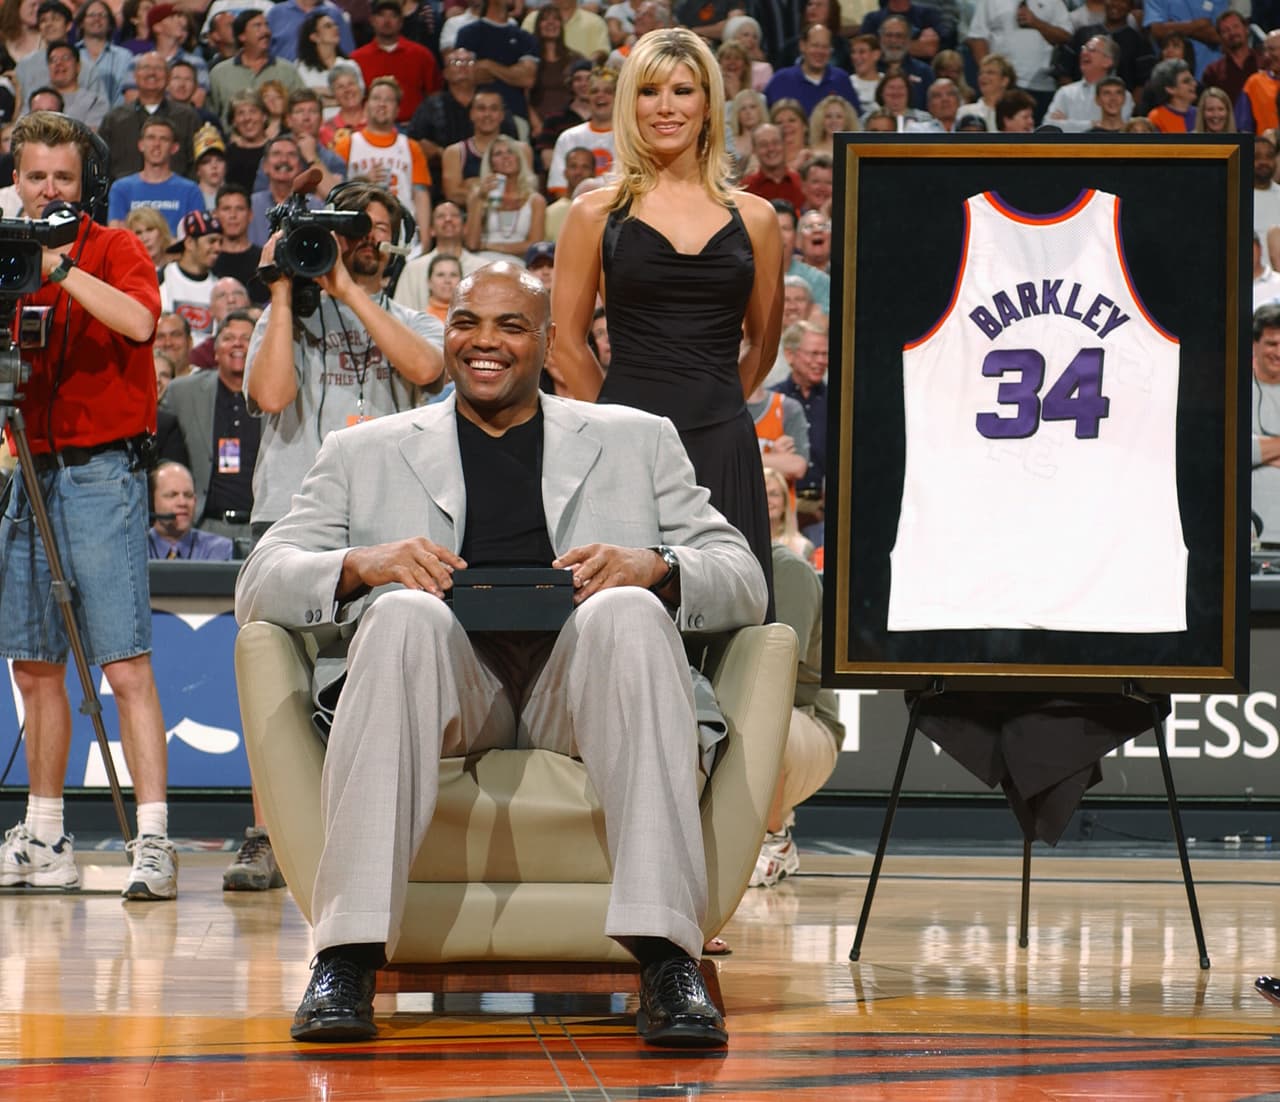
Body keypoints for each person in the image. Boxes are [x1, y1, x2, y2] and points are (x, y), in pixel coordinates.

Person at [235, 261, 766, 1046]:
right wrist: (363, 565)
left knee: (625, 609)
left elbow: (744, 578)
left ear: (549, 341)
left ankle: (666, 960)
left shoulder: (637, 440)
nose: (485, 342)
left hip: (578, 689)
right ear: (445, 332)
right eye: (466, 323)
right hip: (448, 689)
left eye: (511, 326)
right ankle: (346, 959)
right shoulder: (364, 451)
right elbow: (261, 583)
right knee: (406, 617)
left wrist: (655, 566)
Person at [0, 111, 177, 901]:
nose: (48, 190)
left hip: (101, 474)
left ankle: (154, 842)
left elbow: (140, 321)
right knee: (35, 664)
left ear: (86, 184)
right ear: (17, 179)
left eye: (62, 178)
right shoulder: (6, 255)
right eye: (35, 176)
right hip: (28, 470)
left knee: (124, 664)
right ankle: (45, 837)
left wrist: (60, 266)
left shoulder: (115, 247)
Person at [554, 27, 785, 615]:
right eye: (649, 92)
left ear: (708, 104)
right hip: (624, 446)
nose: (666, 107)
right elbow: (565, 345)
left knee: (732, 618)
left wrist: (722, 403)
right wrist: (616, 425)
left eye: (683, 91)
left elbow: (762, 344)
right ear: (629, 104)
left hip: (724, 442)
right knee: (621, 618)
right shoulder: (593, 213)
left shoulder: (755, 218)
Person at [245, 180, 444, 536]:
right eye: (354, 226)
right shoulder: (285, 316)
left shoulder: (416, 324)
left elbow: (427, 369)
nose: (366, 236)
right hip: (291, 508)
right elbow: (273, 397)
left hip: (385, 508)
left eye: (378, 228)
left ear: (395, 243)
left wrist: (346, 290)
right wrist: (280, 290)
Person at [749, 536, 843, 887]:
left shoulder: (787, 570)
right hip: (750, 713)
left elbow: (777, 673)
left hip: (808, 722)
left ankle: (774, 840)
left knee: (759, 718)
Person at [159, 309, 260, 545]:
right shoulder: (182, 393)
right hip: (203, 528)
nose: (237, 344)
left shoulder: (278, 397)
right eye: (228, 338)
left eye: (247, 339)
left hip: (263, 529)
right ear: (214, 351)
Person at [332, 76, 433, 239]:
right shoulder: (346, 144)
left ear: (397, 109)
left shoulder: (411, 147)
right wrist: (362, 181)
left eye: (389, 100)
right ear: (366, 106)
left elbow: (420, 194)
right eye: (376, 98)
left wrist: (426, 237)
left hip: (402, 233)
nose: (382, 104)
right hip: (357, 232)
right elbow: (334, 192)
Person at [98, 52, 201, 181]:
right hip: (124, 197)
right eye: (146, 68)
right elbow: (100, 162)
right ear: (135, 76)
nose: (152, 73)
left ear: (168, 77)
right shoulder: (114, 119)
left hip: (175, 197)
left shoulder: (188, 117)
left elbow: (197, 164)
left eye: (158, 68)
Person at [107, 116, 205, 235]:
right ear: (141, 145)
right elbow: (116, 235)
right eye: (151, 138)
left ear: (174, 148)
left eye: (164, 139)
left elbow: (197, 239)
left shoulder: (190, 191)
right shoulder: (121, 188)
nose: (156, 144)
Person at [350, 0, 440, 124]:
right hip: (370, 126)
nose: (387, 21)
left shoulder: (422, 55)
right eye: (381, 15)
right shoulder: (356, 59)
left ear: (401, 22)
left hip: (414, 127)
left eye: (393, 16)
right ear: (372, 20)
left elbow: (434, 95)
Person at [463, 133, 546, 263]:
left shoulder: (536, 201)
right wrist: (479, 198)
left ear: (519, 159)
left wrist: (488, 245)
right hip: (482, 262)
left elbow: (534, 245)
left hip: (518, 264)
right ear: (492, 164)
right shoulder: (478, 196)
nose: (505, 157)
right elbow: (472, 244)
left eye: (510, 152)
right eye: (498, 154)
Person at [391, 200, 486, 311]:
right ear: (431, 230)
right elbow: (400, 314)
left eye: (454, 215)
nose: (448, 219)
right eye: (441, 216)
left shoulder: (483, 268)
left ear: (465, 228)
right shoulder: (413, 269)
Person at [763, 23, 860, 116]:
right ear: (802, 46)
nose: (820, 52)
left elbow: (854, 120)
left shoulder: (841, 79)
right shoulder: (781, 80)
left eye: (825, 47)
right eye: (815, 46)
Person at [147, 461, 235, 560]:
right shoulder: (134, 551)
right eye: (172, 495)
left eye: (188, 495)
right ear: (151, 501)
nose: (182, 502)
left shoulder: (221, 551)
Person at [160, 210, 223, 340]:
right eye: (212, 241)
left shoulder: (220, 287)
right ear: (189, 243)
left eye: (220, 242)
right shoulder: (160, 279)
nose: (218, 248)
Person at [1252, 304, 1280, 543]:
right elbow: (1239, 449)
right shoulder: (1238, 391)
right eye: (1272, 343)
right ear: (1254, 345)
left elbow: (1253, 451)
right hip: (1253, 534)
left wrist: (1263, 451)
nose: (1279, 352)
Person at [1145, 57, 1197, 132]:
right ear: (1170, 89)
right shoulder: (1156, 117)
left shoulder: (1200, 114)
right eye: (1186, 81)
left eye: (1192, 79)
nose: (1194, 84)